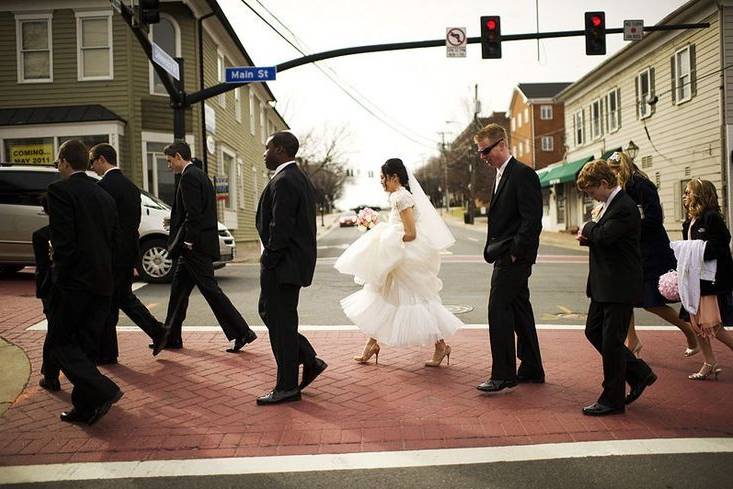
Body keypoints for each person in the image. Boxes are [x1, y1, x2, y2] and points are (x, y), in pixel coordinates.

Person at [335, 158, 461, 367]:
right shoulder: (399, 195)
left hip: (404, 257)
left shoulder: (401, 197)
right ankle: (372, 344)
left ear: (394, 177)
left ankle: (441, 346)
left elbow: (410, 233)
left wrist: (385, 237)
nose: (381, 182)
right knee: (381, 295)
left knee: (416, 299)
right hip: (397, 255)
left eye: (383, 178)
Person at [45, 139, 123, 424]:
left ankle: (104, 389)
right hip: (103, 281)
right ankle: (86, 406)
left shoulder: (60, 191)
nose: (58, 166)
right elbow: (114, 241)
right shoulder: (103, 195)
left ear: (65, 161)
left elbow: (64, 244)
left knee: (60, 344)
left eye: (58, 162)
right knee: (87, 346)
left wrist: (57, 278)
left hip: (74, 283)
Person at [576, 160, 657, 416]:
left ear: (603, 183)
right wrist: (592, 234)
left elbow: (604, 235)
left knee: (611, 342)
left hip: (619, 284)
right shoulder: (608, 205)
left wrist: (588, 228)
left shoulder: (624, 206)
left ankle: (613, 399)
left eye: (591, 191)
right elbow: (604, 238)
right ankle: (639, 372)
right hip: (605, 283)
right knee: (594, 332)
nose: (590, 197)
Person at [161, 141, 256, 352]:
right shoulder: (198, 174)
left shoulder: (188, 177)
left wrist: (187, 242)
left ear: (178, 156)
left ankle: (242, 332)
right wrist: (174, 221)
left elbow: (194, 215)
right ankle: (170, 337)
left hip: (194, 248)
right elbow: (194, 212)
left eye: (169, 161)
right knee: (178, 293)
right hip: (196, 247)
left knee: (211, 292)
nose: (169, 166)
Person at [255, 131, 326, 405]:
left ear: (281, 151)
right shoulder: (295, 177)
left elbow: (280, 229)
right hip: (290, 265)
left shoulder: (285, 180)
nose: (264, 153)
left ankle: (287, 387)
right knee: (272, 315)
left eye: (268, 148)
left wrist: (269, 260)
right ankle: (308, 360)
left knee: (281, 324)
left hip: (283, 266)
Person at [473, 124, 545, 393]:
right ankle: (532, 368)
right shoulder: (501, 174)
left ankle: (503, 375)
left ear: (502, 145)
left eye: (486, 150)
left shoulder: (522, 174)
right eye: (480, 152)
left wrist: (515, 253)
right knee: (519, 311)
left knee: (498, 311)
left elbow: (531, 220)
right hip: (505, 254)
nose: (483, 156)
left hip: (514, 258)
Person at [606, 151, 699, 357]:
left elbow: (654, 218)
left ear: (623, 167)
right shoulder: (617, 189)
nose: (613, 174)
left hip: (651, 251)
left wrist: (627, 225)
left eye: (615, 169)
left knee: (651, 302)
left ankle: (690, 331)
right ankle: (633, 341)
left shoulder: (641, 185)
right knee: (625, 298)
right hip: (630, 250)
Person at [89, 143, 169, 361]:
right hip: (129, 249)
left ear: (101, 159)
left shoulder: (102, 187)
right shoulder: (131, 187)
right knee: (120, 298)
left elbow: (102, 225)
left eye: (92, 161)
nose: (92, 166)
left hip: (111, 253)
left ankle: (110, 351)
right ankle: (111, 351)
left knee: (112, 300)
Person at [678, 178, 733, 380]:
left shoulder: (712, 218)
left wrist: (695, 251)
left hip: (711, 280)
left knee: (712, 326)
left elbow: (721, 244)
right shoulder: (689, 220)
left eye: (688, 192)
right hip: (695, 278)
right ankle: (710, 363)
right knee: (696, 324)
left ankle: (710, 363)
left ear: (700, 195)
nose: (684, 196)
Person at [34, 194, 60, 392]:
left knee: (54, 331)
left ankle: (50, 374)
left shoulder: (41, 235)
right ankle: (50, 373)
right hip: (71, 288)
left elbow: (42, 267)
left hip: (50, 288)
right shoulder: (73, 232)